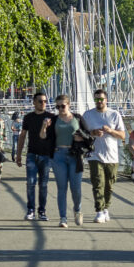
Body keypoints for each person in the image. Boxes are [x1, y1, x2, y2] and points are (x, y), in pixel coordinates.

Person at [82, 89, 126, 223]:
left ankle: (106, 208)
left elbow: (123, 135)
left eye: (101, 99)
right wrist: (93, 132)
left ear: (106, 100)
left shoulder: (114, 114)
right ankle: (99, 211)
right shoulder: (88, 115)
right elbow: (82, 133)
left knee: (109, 185)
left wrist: (111, 131)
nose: (99, 102)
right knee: (97, 183)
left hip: (112, 155)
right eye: (96, 99)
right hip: (95, 154)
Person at [50, 94, 89, 228]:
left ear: (69, 105)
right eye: (58, 106)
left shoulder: (77, 118)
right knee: (62, 188)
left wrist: (81, 139)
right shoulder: (54, 120)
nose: (60, 108)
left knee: (76, 188)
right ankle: (63, 218)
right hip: (58, 155)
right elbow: (46, 137)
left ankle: (77, 210)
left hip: (75, 155)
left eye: (63, 105)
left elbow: (88, 135)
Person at [15, 91, 55, 222]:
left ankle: (42, 211)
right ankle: (30, 210)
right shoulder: (28, 117)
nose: (43, 103)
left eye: (44, 101)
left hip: (46, 155)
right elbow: (22, 136)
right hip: (32, 154)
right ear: (34, 102)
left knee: (43, 184)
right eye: (40, 101)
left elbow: (56, 136)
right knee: (30, 183)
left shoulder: (51, 117)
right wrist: (18, 154)